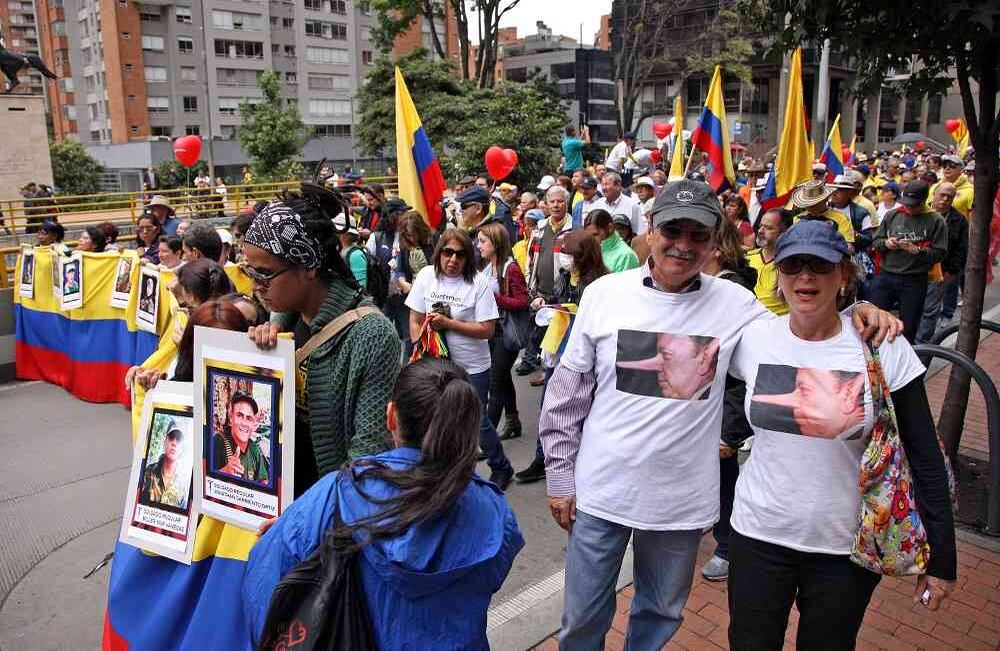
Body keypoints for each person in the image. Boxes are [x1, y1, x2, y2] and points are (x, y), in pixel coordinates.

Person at [538, 179, 900, 649]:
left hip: (681, 504)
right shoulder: (606, 294)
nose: (683, 245)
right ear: (651, 228)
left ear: (714, 242)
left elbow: (801, 335)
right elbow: (567, 396)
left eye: (698, 235)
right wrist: (561, 477)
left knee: (659, 614)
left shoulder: (737, 306)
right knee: (582, 618)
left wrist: (859, 310)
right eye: (673, 230)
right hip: (601, 492)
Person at [727, 220, 956, 648]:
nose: (806, 276)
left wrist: (941, 557)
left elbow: (923, 454)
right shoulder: (753, 339)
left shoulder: (882, 345)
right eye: (793, 265)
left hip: (845, 545)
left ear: (844, 275)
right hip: (758, 534)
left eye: (821, 265)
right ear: (778, 275)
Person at [243, 358, 524, 649]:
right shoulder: (494, 511)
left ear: (391, 416)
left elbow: (264, 595)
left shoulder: (336, 495)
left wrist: (297, 528)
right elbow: (487, 577)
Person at [245, 184, 401, 494]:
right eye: (249, 270)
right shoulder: (280, 321)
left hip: (329, 510)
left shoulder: (371, 335)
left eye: (264, 273)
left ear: (309, 267)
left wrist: (311, 516)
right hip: (277, 499)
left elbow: (368, 453)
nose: (254, 284)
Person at [405, 228, 515, 489]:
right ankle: (446, 473)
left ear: (468, 258)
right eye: (447, 252)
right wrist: (422, 346)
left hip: (473, 367)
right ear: (439, 253)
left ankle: (501, 467)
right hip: (436, 365)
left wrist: (449, 324)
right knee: (436, 417)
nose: (453, 260)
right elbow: (415, 319)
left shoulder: (478, 283)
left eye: (460, 254)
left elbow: (487, 330)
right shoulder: (425, 277)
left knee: (476, 421)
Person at [516, 231, 608, 485]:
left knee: (582, 411)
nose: (564, 258)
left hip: (587, 358)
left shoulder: (601, 284)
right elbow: (557, 300)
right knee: (549, 407)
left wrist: (574, 312)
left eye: (569, 253)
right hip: (558, 350)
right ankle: (543, 458)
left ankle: (582, 463)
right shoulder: (567, 276)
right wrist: (545, 304)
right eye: (563, 253)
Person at [870, 180, 948, 342]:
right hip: (886, 276)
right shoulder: (893, 215)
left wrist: (917, 251)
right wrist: (886, 243)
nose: (909, 208)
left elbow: (940, 253)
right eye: (907, 204)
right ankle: (873, 359)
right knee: (874, 320)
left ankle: (903, 360)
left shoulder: (936, 220)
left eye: (914, 205)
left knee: (908, 327)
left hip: (914, 279)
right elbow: (876, 241)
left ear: (924, 200)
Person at [477, 222, 530, 441]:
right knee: (502, 376)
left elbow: (522, 301)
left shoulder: (511, 268)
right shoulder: (489, 267)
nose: (478, 245)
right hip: (493, 330)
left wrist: (494, 298)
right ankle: (513, 421)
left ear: (496, 244)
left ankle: (485, 439)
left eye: (482, 241)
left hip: (506, 331)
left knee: (495, 383)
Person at [916, 182, 968, 342]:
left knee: (929, 313)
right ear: (934, 194)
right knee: (913, 310)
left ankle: (922, 350)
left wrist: (950, 273)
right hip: (913, 272)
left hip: (940, 274)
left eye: (949, 197)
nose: (945, 199)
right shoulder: (918, 212)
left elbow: (961, 250)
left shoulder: (959, 220)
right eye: (942, 195)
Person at [395, 211, 435, 357]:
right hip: (412, 297)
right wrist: (402, 282)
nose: (411, 238)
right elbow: (399, 270)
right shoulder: (404, 246)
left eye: (413, 234)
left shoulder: (433, 241)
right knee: (411, 338)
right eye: (407, 235)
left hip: (433, 297)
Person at [213, 390, 269, 483]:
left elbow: (263, 480)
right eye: (239, 415)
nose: (244, 423)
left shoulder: (253, 447)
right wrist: (224, 473)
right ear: (231, 417)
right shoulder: (218, 441)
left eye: (249, 418)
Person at [746, 208, 794, 315]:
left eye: (768, 228)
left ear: (784, 232)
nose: (760, 231)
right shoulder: (747, 258)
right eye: (760, 226)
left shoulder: (793, 263)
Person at [790, 180, 855, 246]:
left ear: (825, 199)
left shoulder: (841, 219)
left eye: (815, 203)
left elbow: (849, 247)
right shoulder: (798, 219)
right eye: (808, 203)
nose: (811, 206)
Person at [141, 423, 187, 509]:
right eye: (171, 437)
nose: (174, 443)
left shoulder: (182, 485)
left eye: (178, 439)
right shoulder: (149, 471)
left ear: (182, 449)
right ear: (165, 442)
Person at [583, 208, 640, 273]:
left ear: (610, 228)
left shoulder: (626, 256)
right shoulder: (590, 250)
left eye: (595, 234)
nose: (591, 239)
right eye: (588, 235)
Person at [593, 171, 643, 236]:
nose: (604, 188)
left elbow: (639, 232)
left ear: (618, 186)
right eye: (603, 185)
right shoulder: (597, 205)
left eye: (607, 184)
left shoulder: (632, 205)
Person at [333, 212, 367, 287]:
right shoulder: (335, 248)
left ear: (347, 234)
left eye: (336, 231)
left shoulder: (356, 255)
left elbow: (361, 287)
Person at [513, 208, 543, 275]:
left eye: (532, 225)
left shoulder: (545, 246)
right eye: (526, 225)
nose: (527, 228)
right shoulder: (518, 245)